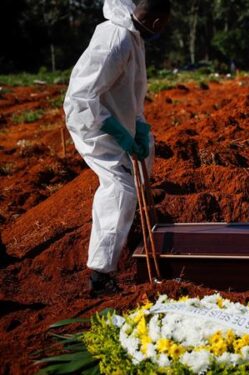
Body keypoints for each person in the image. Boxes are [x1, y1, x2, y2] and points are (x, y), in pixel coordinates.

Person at [64, 0, 170, 296]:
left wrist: (139, 128)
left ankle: (133, 226)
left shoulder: (133, 38)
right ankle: (100, 274)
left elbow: (130, 93)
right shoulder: (116, 38)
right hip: (93, 124)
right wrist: (117, 133)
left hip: (118, 122)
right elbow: (81, 98)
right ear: (158, 24)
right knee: (120, 187)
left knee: (144, 155)